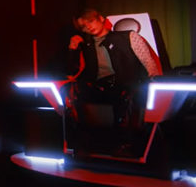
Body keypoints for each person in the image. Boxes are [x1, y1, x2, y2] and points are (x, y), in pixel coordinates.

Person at [66, 8, 161, 156]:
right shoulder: (86, 45)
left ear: (101, 19)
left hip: (125, 84)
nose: (89, 27)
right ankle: (81, 143)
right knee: (72, 90)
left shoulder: (128, 36)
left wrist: (154, 81)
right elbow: (72, 72)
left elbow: (149, 63)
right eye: (84, 26)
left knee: (126, 93)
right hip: (99, 86)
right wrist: (73, 49)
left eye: (91, 21)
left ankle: (125, 144)